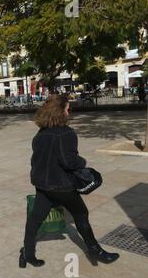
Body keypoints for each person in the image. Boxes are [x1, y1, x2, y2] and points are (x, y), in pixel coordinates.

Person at [20, 94, 119, 268]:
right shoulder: (66, 133)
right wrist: (83, 163)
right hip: (61, 186)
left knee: (35, 218)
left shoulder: (41, 133)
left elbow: (39, 157)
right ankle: (95, 251)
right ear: (60, 111)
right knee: (81, 215)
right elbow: (69, 162)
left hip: (42, 184)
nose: (69, 112)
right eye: (67, 108)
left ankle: (27, 253)